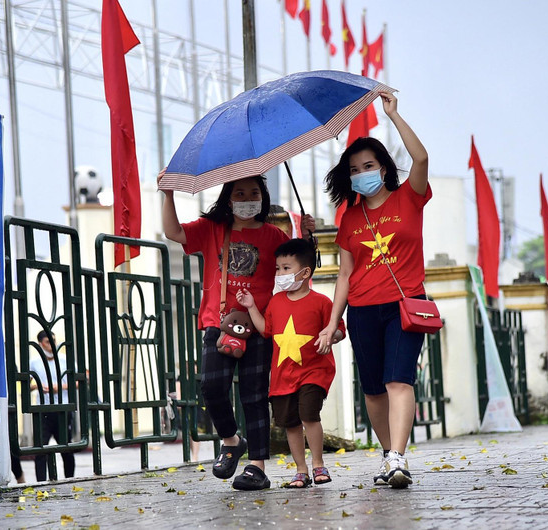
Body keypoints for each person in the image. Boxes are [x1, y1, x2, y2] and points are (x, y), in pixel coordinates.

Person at [159, 170, 314, 491]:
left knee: (254, 397)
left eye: (253, 193)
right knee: (212, 387)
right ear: (228, 198)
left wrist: (308, 239)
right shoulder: (214, 229)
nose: (247, 200)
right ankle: (231, 441)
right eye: (239, 194)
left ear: (263, 197)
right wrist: (169, 194)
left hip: (259, 325)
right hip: (218, 323)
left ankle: (257, 467)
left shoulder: (274, 236)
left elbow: (298, 270)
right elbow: (173, 232)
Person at [318, 92, 429, 489]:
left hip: (405, 305)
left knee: (399, 380)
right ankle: (388, 455)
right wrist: (332, 323)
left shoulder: (409, 198)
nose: (362, 173)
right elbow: (345, 275)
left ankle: (399, 456)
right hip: (362, 309)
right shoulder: (348, 218)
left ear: (383, 168)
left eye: (368, 165)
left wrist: (394, 115)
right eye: (354, 169)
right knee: (373, 389)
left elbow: (421, 159)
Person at [236, 238, 345, 488]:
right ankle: (301, 469)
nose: (280, 273)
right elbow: (266, 330)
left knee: (309, 415)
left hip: (314, 372)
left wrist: (329, 336)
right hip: (283, 376)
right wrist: (252, 307)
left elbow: (338, 329)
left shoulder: (322, 302)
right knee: (290, 423)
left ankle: (318, 464)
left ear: (305, 272)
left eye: (286, 268)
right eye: (278, 268)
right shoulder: (276, 302)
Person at [29, 331, 76, 481]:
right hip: (42, 410)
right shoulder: (34, 362)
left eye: (53, 341)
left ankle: (69, 479)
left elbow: (78, 382)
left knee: (66, 449)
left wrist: (60, 387)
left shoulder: (65, 360)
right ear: (40, 344)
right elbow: (26, 383)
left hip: (62, 409)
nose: (52, 345)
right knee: (40, 449)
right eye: (48, 342)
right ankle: (40, 483)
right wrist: (36, 385)